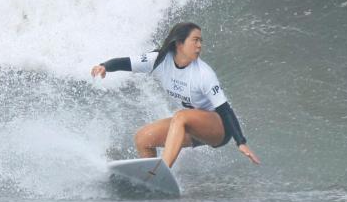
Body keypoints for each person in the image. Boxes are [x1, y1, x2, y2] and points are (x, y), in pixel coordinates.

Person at [91, 22, 260, 168]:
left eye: (201, 41)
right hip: (191, 129)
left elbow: (225, 109)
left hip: (218, 129)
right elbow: (127, 62)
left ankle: (161, 170)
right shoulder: (158, 60)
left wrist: (241, 142)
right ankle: (153, 181)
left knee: (180, 116)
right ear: (180, 44)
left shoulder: (204, 74)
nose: (200, 45)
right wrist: (104, 66)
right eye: (195, 40)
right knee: (143, 138)